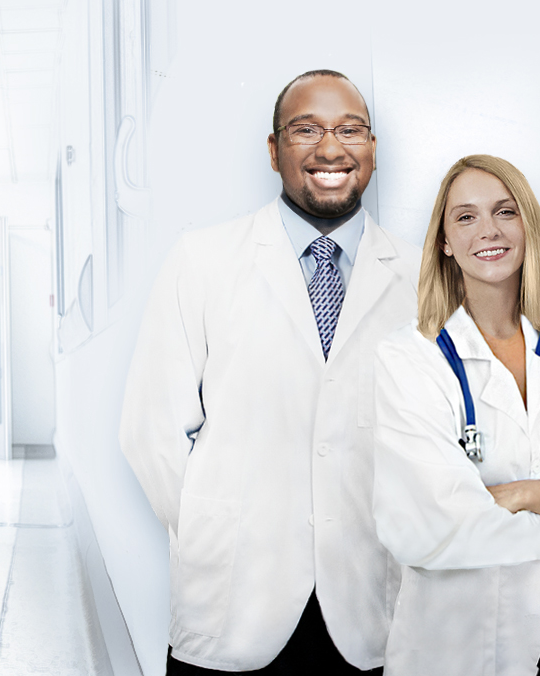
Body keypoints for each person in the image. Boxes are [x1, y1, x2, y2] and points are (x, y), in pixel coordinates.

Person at [118, 70, 417, 674]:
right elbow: (151, 430)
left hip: (371, 606)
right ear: (275, 150)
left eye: (350, 130)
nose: (330, 149)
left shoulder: (423, 276)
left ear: (374, 151)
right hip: (235, 596)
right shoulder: (201, 260)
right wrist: (212, 524)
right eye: (306, 129)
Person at [371, 155, 540, 676]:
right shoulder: (411, 357)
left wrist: (523, 494)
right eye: (465, 217)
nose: (489, 230)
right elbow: (430, 525)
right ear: (443, 240)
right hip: (454, 650)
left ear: (528, 225)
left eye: (506, 211)